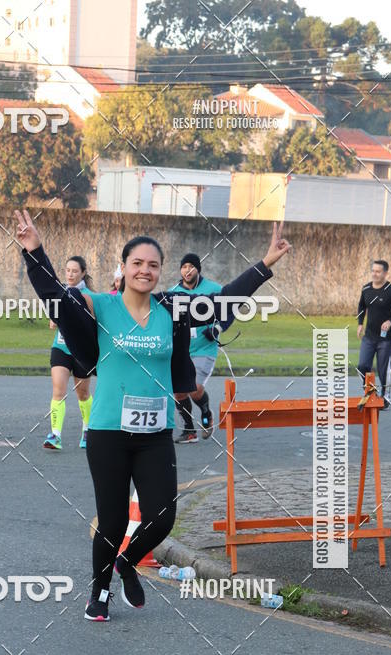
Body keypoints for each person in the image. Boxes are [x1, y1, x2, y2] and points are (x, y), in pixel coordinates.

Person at [15, 209, 290, 622]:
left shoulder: (173, 308)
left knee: (163, 516)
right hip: (108, 430)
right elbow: (54, 293)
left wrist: (265, 264)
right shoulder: (101, 306)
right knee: (111, 520)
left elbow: (222, 303)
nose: (145, 270)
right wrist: (35, 251)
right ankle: (99, 591)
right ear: (123, 268)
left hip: (155, 432)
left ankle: (127, 564)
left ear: (161, 272)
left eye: (153, 265)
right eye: (137, 263)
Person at [170, 252, 222, 443]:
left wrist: (217, 328)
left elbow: (229, 310)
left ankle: (206, 413)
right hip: (182, 350)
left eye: (191, 266)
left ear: (198, 269)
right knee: (179, 392)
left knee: (194, 389)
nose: (187, 270)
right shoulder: (173, 291)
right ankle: (189, 431)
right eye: (184, 267)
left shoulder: (214, 289)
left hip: (204, 349)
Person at [45, 255, 94, 450]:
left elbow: (92, 323)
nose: (71, 274)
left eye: (75, 271)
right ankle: (55, 435)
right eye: (68, 270)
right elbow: (51, 324)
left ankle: (87, 430)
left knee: (82, 394)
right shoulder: (59, 292)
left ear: (83, 273)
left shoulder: (90, 296)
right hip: (61, 348)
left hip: (81, 351)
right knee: (59, 390)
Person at [356, 260, 391, 409]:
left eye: (378, 271)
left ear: (385, 273)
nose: (374, 274)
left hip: (385, 339)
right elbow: (361, 306)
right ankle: (371, 392)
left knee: (383, 369)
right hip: (369, 337)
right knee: (362, 366)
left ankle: (385, 397)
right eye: (373, 270)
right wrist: (360, 323)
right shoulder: (366, 289)